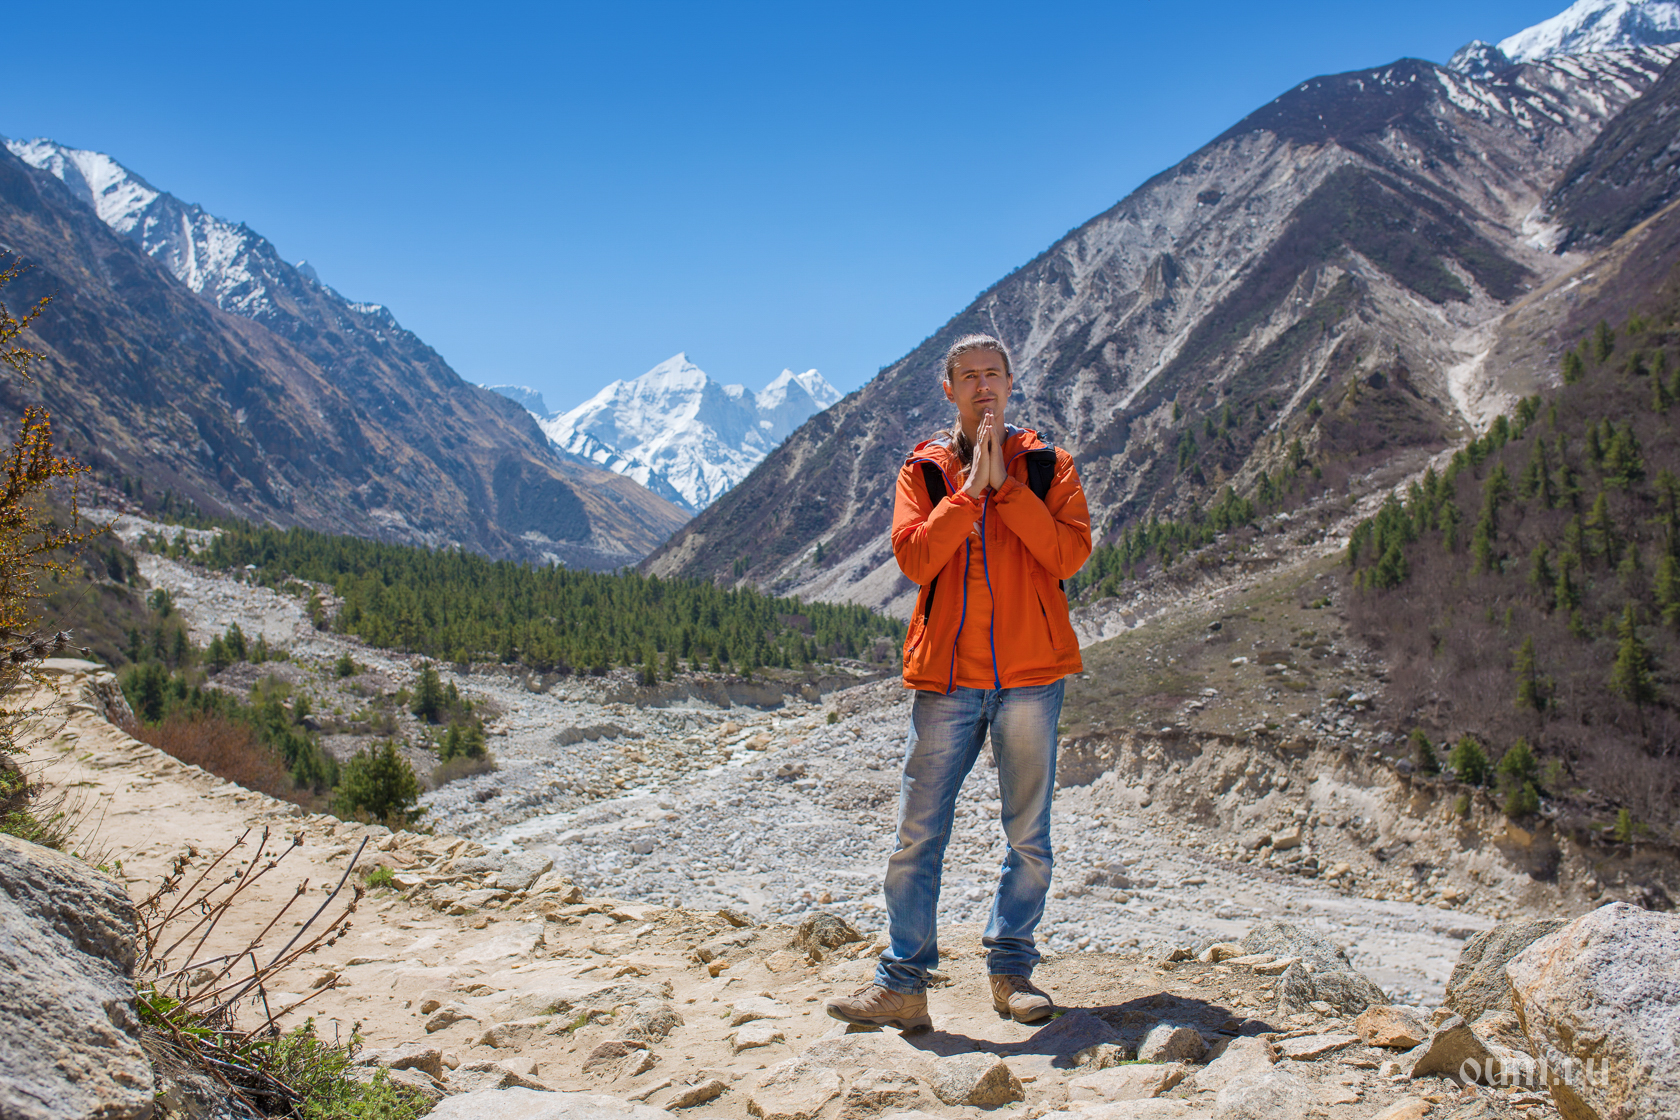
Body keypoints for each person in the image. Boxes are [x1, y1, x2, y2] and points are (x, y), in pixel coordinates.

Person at [824, 333, 1091, 1031]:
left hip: (1030, 675)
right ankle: (903, 983)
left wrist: (1007, 490)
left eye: (992, 373)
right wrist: (969, 496)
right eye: (968, 376)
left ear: (1010, 382)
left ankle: (1011, 972)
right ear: (949, 390)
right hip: (947, 678)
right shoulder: (926, 471)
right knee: (917, 834)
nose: (982, 386)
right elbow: (914, 560)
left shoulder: (1048, 465)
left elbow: (1068, 553)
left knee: (1028, 834)